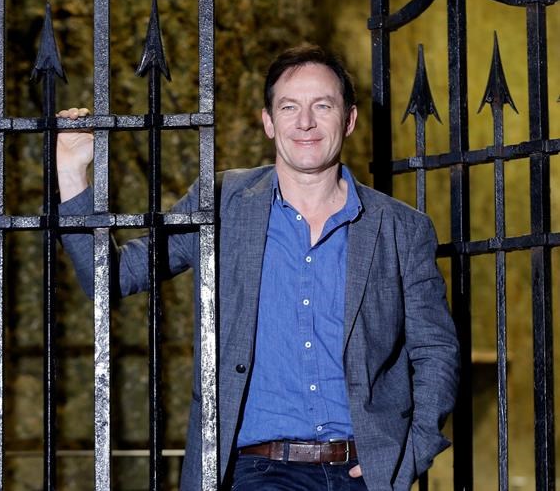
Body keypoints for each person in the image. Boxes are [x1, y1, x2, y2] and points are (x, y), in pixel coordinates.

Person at [56, 45, 460, 490]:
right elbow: (112, 276)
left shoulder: (402, 228)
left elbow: (435, 350)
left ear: (349, 120)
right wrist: (72, 175)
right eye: (289, 107)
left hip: (364, 473)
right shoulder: (221, 203)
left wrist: (412, 451)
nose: (305, 122)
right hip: (255, 471)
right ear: (268, 122)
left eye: (322, 106)